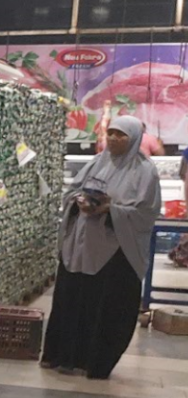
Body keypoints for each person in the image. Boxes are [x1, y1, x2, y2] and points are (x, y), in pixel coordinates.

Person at [42, 115, 161, 379]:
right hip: (81, 248)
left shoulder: (145, 172)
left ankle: (94, 362)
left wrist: (111, 209)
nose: (114, 139)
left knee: (103, 307)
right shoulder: (96, 163)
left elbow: (146, 213)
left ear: (134, 139)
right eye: (111, 133)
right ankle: (63, 357)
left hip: (115, 254)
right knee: (73, 300)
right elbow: (71, 192)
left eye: (122, 135)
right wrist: (79, 201)